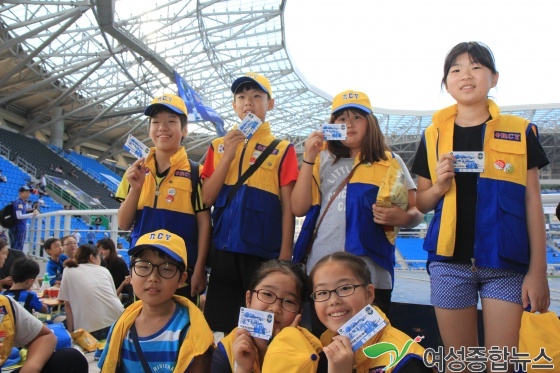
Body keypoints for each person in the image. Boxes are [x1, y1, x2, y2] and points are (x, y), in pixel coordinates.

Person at [411, 41, 550, 372]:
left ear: (494, 78)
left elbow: (532, 201)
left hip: (505, 264)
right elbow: (422, 200)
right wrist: (440, 186)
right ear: (446, 82)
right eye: (455, 69)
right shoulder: (432, 136)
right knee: (463, 364)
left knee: (500, 364)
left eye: (476, 67)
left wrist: (538, 271)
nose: (465, 75)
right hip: (449, 264)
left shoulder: (520, 131)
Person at [291, 90, 423, 332]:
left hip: (372, 272)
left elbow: (417, 211)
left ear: (370, 123)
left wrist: (403, 217)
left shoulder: (390, 160)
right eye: (341, 119)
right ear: (332, 124)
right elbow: (298, 208)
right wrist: (308, 158)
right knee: (327, 345)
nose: (348, 124)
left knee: (371, 348)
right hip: (322, 270)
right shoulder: (321, 159)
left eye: (356, 118)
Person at [202, 72, 299, 333]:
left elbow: (289, 207)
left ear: (270, 104)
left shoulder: (283, 148)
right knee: (220, 325)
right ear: (234, 105)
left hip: (263, 254)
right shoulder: (218, 146)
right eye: (242, 97)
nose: (248, 102)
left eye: (257, 96)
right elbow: (206, 198)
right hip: (223, 250)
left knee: (259, 326)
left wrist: (284, 256)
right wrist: (228, 155)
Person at [116, 94, 211, 304]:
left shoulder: (198, 173)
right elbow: (123, 223)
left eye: (171, 121)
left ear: (184, 130)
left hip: (181, 273)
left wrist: (200, 269)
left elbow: (204, 224)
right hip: (143, 271)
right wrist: (136, 188)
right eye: (156, 122)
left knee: (182, 331)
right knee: (144, 328)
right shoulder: (134, 171)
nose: (162, 127)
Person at [98, 229, 214, 372]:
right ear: (131, 275)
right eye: (144, 267)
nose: (153, 277)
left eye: (166, 269)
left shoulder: (191, 333)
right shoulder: (121, 326)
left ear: (181, 279)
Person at [310, 252, 429, 372]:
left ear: (369, 294)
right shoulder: (322, 350)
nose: (334, 300)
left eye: (345, 288)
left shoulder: (407, 360)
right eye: (322, 292)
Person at [211, 259, 322, 373]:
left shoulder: (313, 352)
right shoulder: (228, 349)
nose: (275, 308)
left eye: (289, 301)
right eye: (267, 294)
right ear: (248, 299)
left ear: (299, 314)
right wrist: (243, 369)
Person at [58, 244, 124, 338]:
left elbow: (68, 305)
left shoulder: (68, 270)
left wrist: (70, 333)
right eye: (99, 256)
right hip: (118, 323)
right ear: (92, 257)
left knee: (57, 319)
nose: (101, 260)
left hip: (89, 332)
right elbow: (114, 297)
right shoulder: (104, 270)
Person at [8, 186, 39, 251]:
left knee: (14, 248)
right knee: (17, 248)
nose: (28, 194)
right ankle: (16, 260)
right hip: (18, 228)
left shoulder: (20, 202)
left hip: (15, 227)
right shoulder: (19, 202)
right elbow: (19, 216)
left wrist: (30, 212)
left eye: (29, 192)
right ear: (21, 193)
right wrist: (32, 214)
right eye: (26, 192)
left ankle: (14, 260)